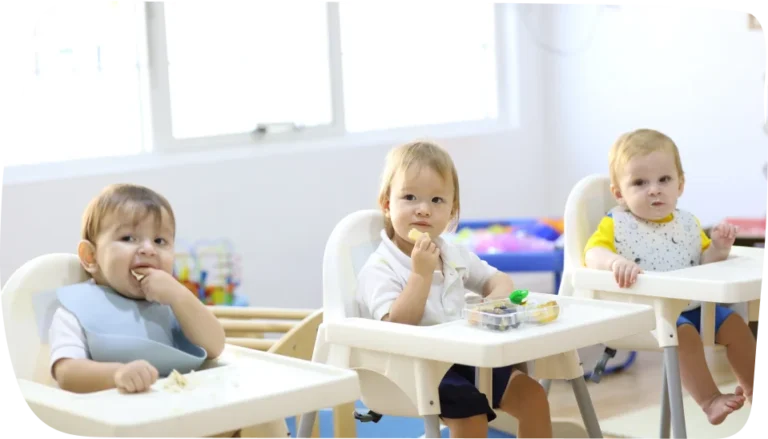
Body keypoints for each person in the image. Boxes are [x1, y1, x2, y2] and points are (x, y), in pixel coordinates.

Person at [356, 140, 552, 439]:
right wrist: (420, 275)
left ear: (452, 211)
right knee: (470, 412)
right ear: (386, 203)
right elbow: (397, 326)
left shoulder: (452, 253)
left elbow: (499, 280)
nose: (423, 210)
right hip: (412, 367)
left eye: (437, 200)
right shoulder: (379, 266)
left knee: (533, 396)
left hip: (463, 358)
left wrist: (492, 303)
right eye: (409, 197)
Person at [583, 128, 757, 425]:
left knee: (736, 325)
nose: (654, 189)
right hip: (648, 314)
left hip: (694, 306)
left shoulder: (688, 224)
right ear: (619, 194)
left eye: (664, 180)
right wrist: (615, 262)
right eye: (639, 183)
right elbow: (591, 254)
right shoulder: (617, 224)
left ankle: (755, 389)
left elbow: (705, 262)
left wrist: (718, 247)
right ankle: (710, 399)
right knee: (685, 334)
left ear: (680, 185)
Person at [49, 183, 226, 395]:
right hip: (112, 419)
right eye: (128, 238)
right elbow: (66, 372)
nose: (149, 249)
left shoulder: (171, 302)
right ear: (91, 256)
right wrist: (116, 375)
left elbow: (215, 347)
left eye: (160, 241)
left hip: (179, 412)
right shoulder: (76, 308)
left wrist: (179, 295)